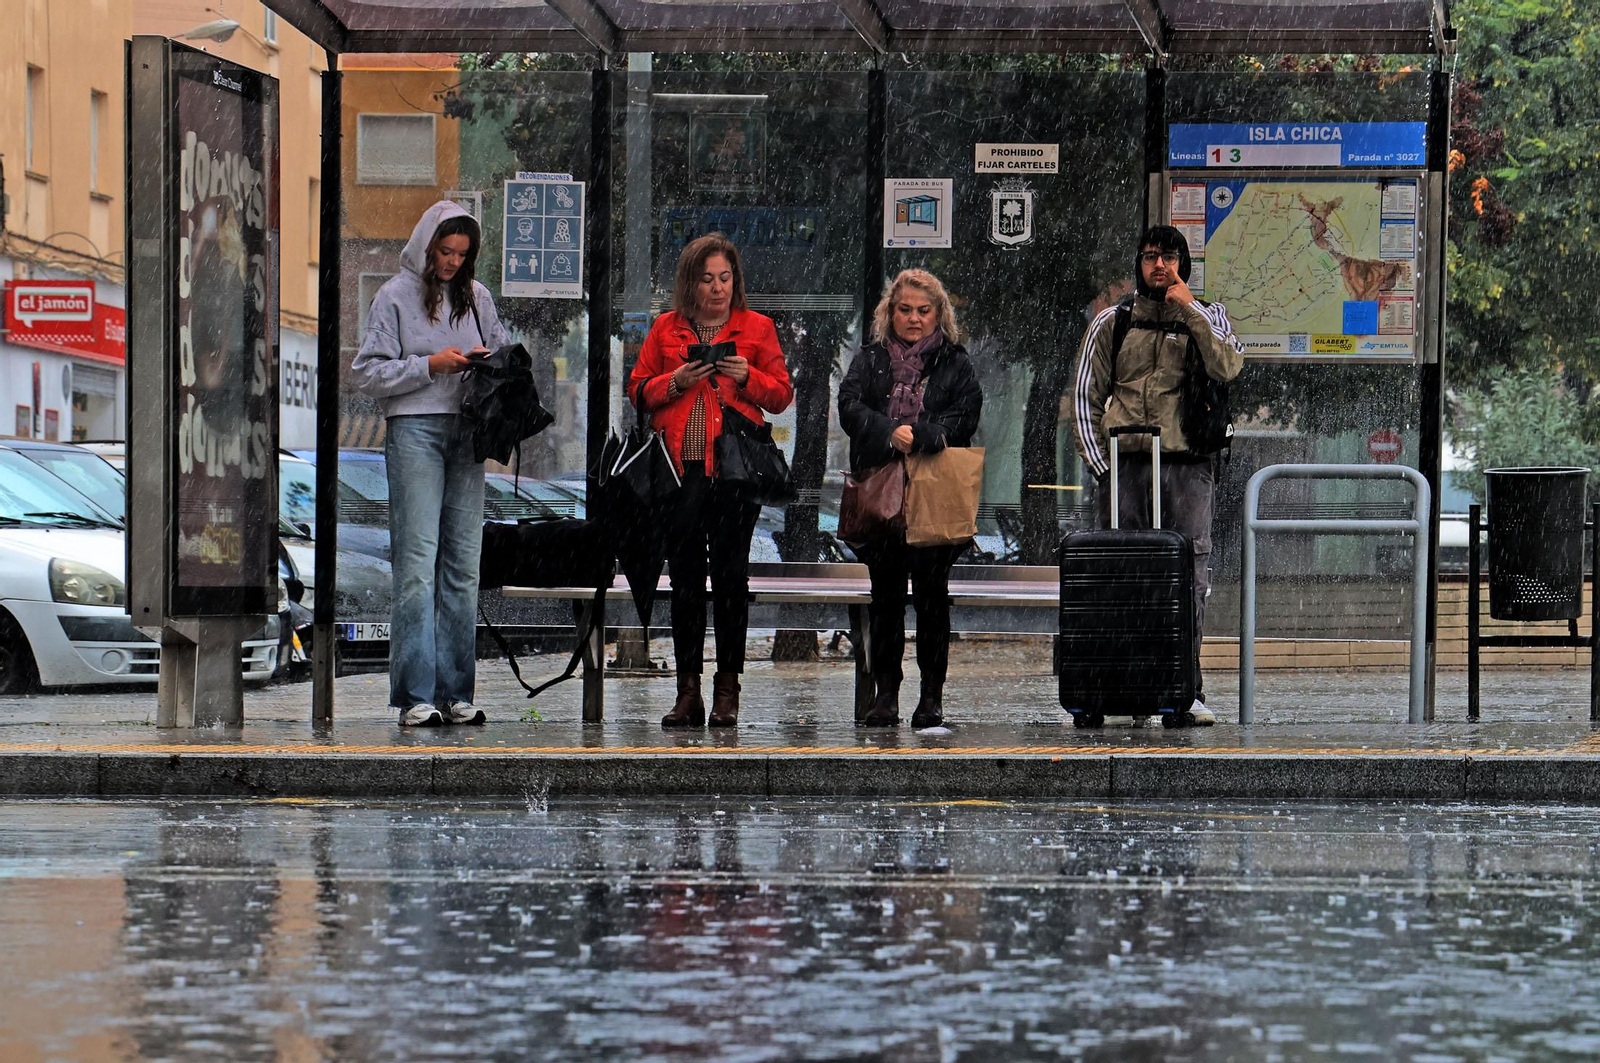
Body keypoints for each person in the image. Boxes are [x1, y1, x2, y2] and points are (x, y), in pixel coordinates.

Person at [1069, 224, 1244, 726]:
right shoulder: (1114, 321)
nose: (1160, 266)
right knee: (1118, 576)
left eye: (1169, 257)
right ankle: (1115, 685)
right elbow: (1087, 394)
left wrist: (1190, 309)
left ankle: (1182, 691)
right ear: (1139, 264)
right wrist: (1103, 469)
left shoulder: (1208, 316)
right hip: (1125, 467)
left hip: (1188, 466)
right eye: (1150, 257)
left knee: (1190, 578)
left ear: (1184, 265)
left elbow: (1229, 365)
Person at [352, 200, 511, 727]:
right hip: (415, 431)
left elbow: (503, 357)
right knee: (417, 567)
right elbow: (368, 374)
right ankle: (413, 696)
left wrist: (487, 367)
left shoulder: (478, 297)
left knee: (463, 568)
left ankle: (455, 691)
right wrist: (429, 365)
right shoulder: (393, 296)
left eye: (463, 255)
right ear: (426, 246)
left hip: (466, 432)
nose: (452, 263)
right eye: (445, 251)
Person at [629, 234, 794, 728]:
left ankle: (727, 690)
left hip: (734, 474)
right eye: (707, 279)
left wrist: (747, 376)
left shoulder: (757, 328)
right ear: (690, 283)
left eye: (725, 278)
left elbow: (782, 395)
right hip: (680, 472)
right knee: (683, 581)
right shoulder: (666, 329)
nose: (718, 288)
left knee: (729, 578)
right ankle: (688, 691)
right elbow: (637, 390)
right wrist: (675, 381)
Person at [838, 269, 982, 729]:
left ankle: (931, 696)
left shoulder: (955, 362)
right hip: (882, 496)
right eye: (905, 310)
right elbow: (849, 406)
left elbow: (966, 413)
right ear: (890, 312)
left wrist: (921, 435)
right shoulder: (870, 359)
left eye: (924, 311)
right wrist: (887, 432)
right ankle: (886, 694)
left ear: (939, 313)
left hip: (933, 497)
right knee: (884, 600)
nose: (914, 319)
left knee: (931, 600)